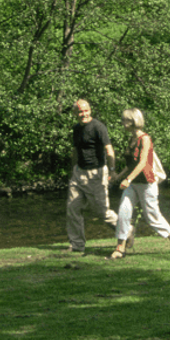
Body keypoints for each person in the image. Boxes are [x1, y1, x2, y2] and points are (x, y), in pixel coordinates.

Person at [109, 107, 170, 258]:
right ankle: (120, 248)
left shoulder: (145, 139)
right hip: (133, 184)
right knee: (124, 212)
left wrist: (128, 179)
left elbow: (142, 163)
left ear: (133, 121)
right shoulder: (132, 139)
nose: (123, 123)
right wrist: (118, 177)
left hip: (147, 183)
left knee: (152, 216)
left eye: (125, 120)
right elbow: (131, 165)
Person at [65, 98, 116, 255]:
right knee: (73, 208)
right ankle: (77, 244)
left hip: (96, 173)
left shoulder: (98, 127)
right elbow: (75, 150)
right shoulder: (76, 129)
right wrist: (73, 169)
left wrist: (112, 170)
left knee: (102, 212)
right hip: (79, 172)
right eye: (80, 111)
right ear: (75, 113)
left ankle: (126, 231)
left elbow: (109, 150)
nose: (83, 114)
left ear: (90, 111)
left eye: (86, 110)